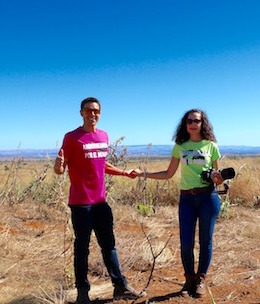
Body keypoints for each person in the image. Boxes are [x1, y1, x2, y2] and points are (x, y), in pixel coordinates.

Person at [54, 97, 145, 304]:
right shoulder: (72, 137)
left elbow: (101, 163)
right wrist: (58, 166)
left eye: (96, 111)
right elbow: (61, 168)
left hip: (101, 203)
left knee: (109, 246)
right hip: (81, 204)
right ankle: (82, 292)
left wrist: (124, 172)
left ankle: (120, 286)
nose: (92, 114)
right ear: (81, 113)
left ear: (100, 113)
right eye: (88, 110)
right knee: (82, 249)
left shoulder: (103, 136)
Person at [138, 108, 224, 298]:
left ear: (203, 124)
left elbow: (218, 178)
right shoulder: (180, 146)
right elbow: (168, 173)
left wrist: (218, 178)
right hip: (187, 199)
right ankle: (189, 279)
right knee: (186, 242)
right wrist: (144, 174)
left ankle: (200, 279)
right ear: (185, 124)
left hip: (208, 198)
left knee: (205, 241)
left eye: (197, 121)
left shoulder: (211, 146)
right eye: (189, 121)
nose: (193, 124)